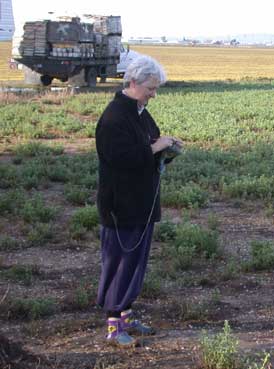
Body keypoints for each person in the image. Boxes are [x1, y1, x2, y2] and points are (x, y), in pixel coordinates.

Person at [95, 55, 182, 347]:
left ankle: (128, 316)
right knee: (119, 262)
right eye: (150, 88)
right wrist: (157, 146)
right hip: (121, 205)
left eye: (156, 88)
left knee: (136, 262)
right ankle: (113, 325)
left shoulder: (139, 111)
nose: (153, 94)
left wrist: (167, 150)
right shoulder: (114, 117)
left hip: (142, 203)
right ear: (132, 82)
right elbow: (122, 159)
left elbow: (150, 143)